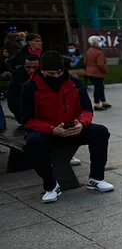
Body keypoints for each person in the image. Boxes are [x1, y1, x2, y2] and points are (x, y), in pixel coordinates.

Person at [20, 51, 114, 203]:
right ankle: (51, 185)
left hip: (72, 126)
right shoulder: (30, 87)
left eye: (59, 72)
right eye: (51, 73)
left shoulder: (75, 83)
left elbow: (87, 110)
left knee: (100, 132)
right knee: (33, 143)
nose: (56, 76)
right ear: (42, 71)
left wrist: (81, 123)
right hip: (47, 131)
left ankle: (96, 178)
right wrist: (51, 129)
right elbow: (28, 120)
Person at [7, 55, 40, 122]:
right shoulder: (16, 78)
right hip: (23, 115)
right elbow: (12, 100)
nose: (31, 70)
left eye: (34, 67)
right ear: (24, 66)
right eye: (28, 67)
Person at [85, 36, 110, 110]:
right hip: (97, 72)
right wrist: (105, 71)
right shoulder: (99, 52)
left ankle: (104, 101)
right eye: (99, 41)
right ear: (95, 42)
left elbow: (85, 61)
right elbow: (100, 64)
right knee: (98, 88)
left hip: (90, 71)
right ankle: (97, 104)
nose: (100, 42)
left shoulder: (89, 51)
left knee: (100, 87)